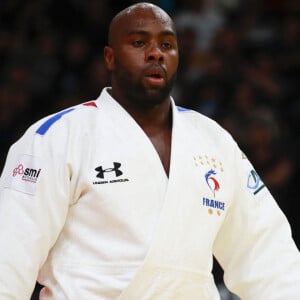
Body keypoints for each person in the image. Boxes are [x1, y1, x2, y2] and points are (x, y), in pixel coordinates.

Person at [0, 2, 299, 299]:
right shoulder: (57, 137)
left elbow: (266, 254)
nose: (156, 52)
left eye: (167, 44)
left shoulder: (213, 141)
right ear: (110, 57)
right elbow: (10, 252)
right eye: (139, 42)